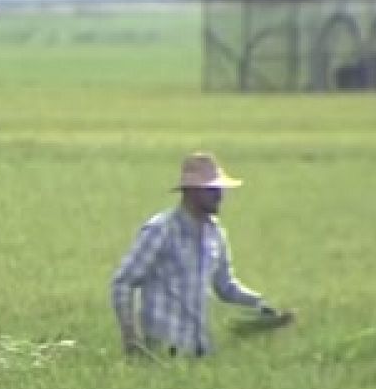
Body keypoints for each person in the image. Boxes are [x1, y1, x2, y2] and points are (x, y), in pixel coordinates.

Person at [110, 152, 289, 359]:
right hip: (164, 351)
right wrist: (131, 338)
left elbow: (226, 286)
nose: (220, 196)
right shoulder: (161, 230)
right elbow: (122, 282)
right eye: (212, 190)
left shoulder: (215, 233)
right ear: (192, 192)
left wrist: (262, 305)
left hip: (199, 349)